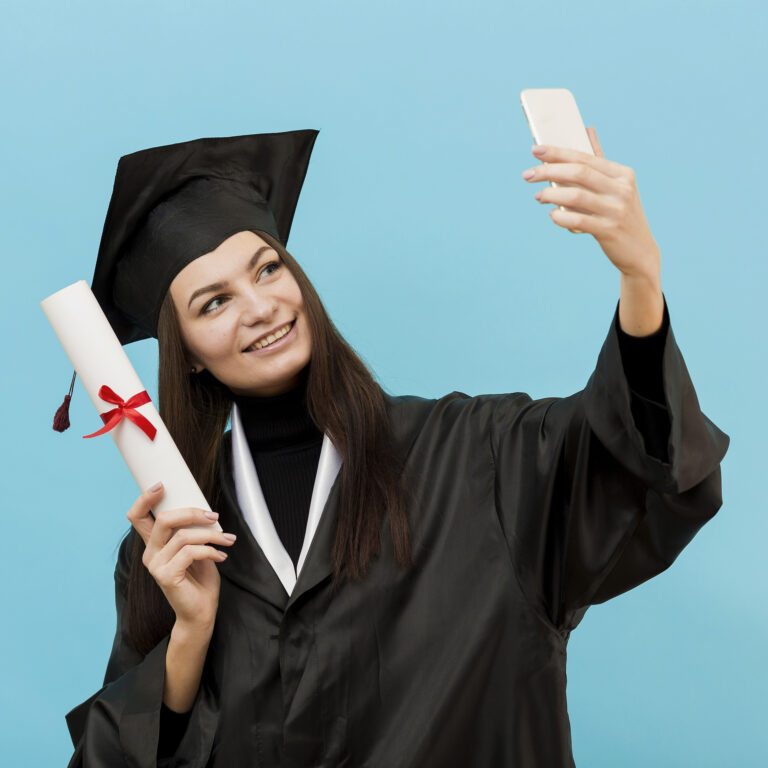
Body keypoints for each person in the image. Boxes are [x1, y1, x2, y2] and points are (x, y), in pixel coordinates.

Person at [61, 129, 729, 767]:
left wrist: (640, 279)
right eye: (214, 303)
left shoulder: (480, 457)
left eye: (267, 269)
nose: (260, 307)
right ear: (186, 355)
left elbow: (636, 459)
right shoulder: (173, 548)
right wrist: (189, 635)